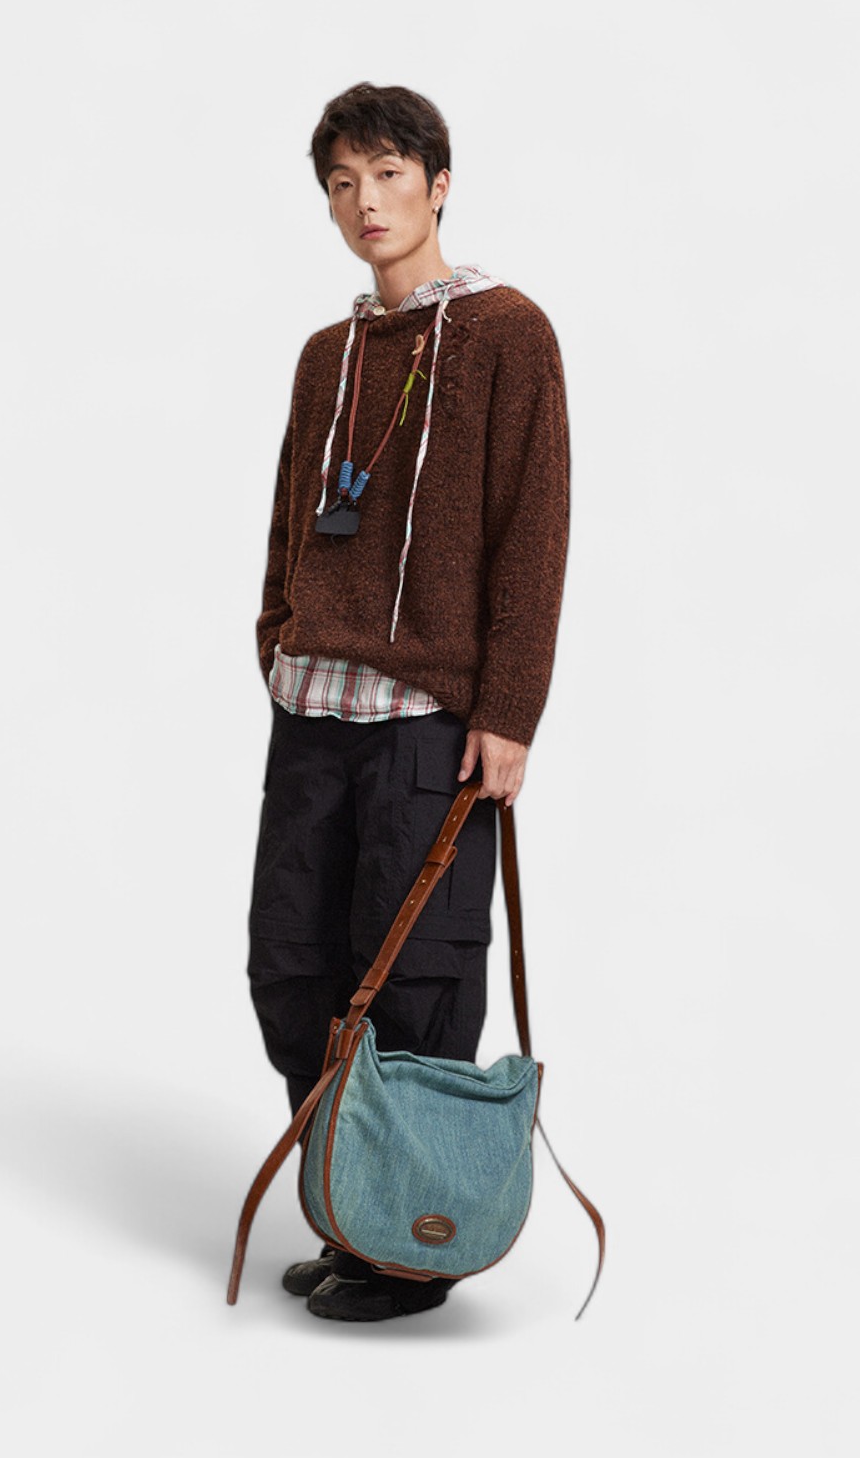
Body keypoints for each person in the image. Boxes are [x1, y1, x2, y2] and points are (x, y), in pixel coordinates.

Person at [247, 81, 571, 1322]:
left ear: (438, 184)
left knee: (416, 981)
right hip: (313, 708)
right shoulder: (326, 355)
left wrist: (511, 708)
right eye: (343, 182)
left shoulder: (507, 333)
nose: (365, 202)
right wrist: (277, 635)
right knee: (295, 967)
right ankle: (357, 1209)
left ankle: (413, 1251)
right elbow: (290, 513)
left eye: (387, 174)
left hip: (432, 720)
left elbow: (533, 526)